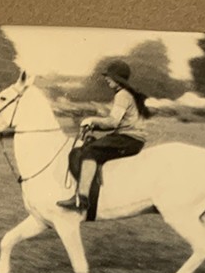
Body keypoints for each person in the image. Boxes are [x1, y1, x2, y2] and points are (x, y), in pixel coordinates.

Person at [57, 59, 151, 218]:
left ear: (117, 78)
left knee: (89, 151)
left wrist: (91, 120)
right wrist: (95, 126)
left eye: (110, 76)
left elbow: (113, 122)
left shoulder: (122, 95)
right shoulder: (127, 94)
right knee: (92, 146)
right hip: (130, 138)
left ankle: (82, 198)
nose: (107, 79)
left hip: (128, 139)